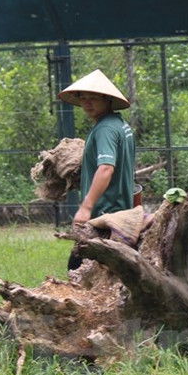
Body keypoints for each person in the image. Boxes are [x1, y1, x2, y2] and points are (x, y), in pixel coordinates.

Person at [58, 69, 136, 268]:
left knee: (77, 268)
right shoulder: (119, 124)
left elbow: (106, 169)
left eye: (93, 98)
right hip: (120, 212)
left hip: (104, 214)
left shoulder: (105, 130)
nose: (87, 103)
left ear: (107, 99)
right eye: (83, 98)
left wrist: (86, 207)